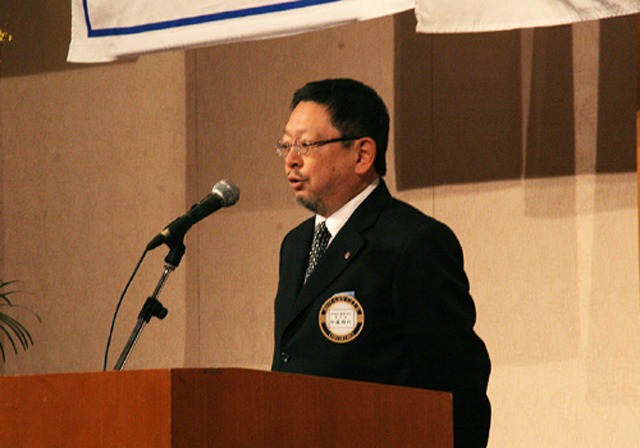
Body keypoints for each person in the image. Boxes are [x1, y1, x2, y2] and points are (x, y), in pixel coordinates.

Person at [271, 78, 491, 448]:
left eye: (306, 145)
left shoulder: (412, 242)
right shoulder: (295, 245)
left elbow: (459, 385)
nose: (291, 159)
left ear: (362, 155)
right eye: (286, 145)